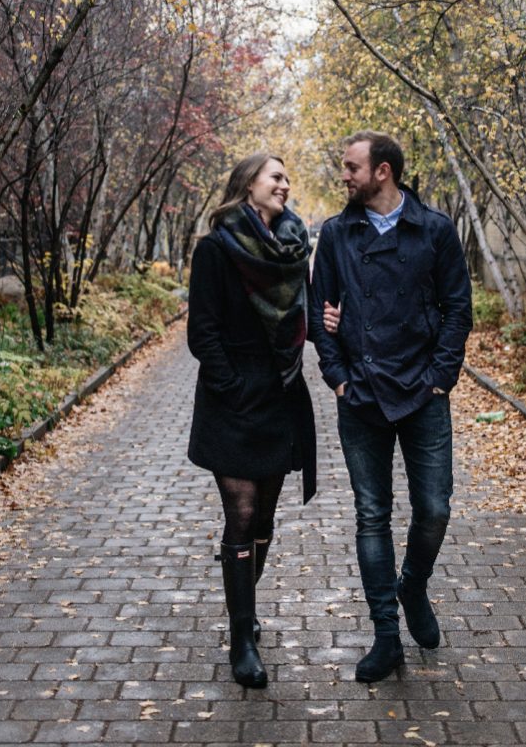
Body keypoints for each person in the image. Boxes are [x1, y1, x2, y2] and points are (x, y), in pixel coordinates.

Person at [309, 131, 472, 683]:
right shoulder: (335, 233)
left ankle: (414, 587)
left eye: (351, 166)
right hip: (360, 395)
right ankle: (386, 635)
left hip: (422, 394)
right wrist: (337, 379)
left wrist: (440, 379)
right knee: (371, 516)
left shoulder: (434, 229)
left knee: (434, 509)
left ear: (382, 171)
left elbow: (458, 309)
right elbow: (319, 311)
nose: (344, 175)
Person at [187, 152, 316, 689]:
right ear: (248, 185)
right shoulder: (216, 250)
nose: (285, 185)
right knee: (239, 514)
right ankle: (242, 636)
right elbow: (203, 331)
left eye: (287, 178)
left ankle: (245, 603)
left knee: (263, 520)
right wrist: (232, 385)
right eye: (276, 176)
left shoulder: (292, 250)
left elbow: (304, 317)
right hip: (231, 399)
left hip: (280, 396)